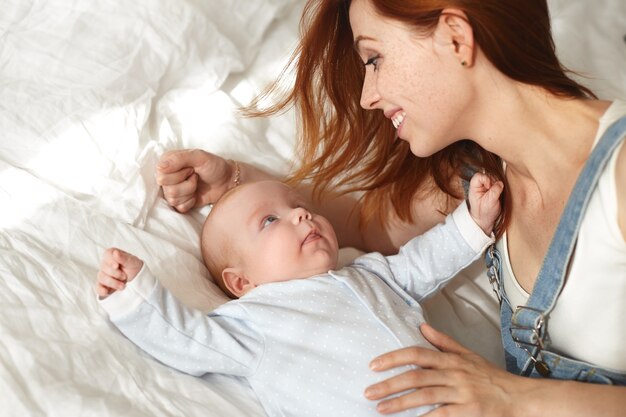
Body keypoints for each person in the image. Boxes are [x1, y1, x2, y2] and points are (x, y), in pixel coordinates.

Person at [156, 0, 626, 415]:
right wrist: (236, 185)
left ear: (456, 37)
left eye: (374, 59)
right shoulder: (475, 179)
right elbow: (366, 226)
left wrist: (512, 399)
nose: (367, 95)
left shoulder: (619, 172)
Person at [96, 176, 502, 417]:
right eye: (271, 220)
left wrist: (472, 220)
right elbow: (186, 338)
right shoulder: (254, 321)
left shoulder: (370, 272)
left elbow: (425, 260)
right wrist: (134, 294)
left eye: (300, 206)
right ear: (241, 283)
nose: (301, 215)